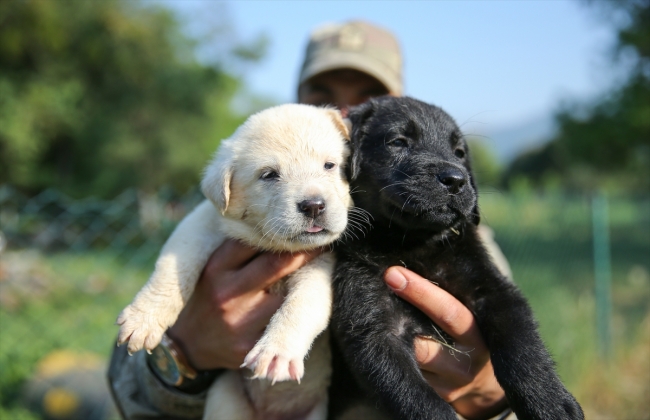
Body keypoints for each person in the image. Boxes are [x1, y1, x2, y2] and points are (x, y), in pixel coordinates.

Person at [108, 20, 515, 420]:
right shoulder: (251, 185)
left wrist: (489, 394)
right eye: (324, 95)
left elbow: (505, 348)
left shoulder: (448, 230)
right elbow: (127, 388)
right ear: (300, 96)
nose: (346, 116)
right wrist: (185, 350)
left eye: (368, 98)